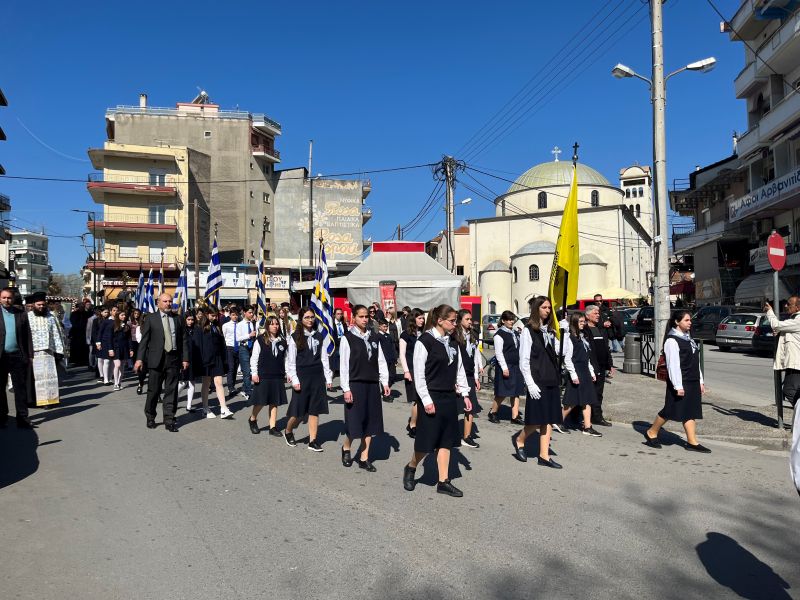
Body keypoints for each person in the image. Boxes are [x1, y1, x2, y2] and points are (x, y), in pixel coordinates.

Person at [402, 304, 472, 497]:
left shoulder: (453, 341)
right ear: (440, 321)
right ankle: (411, 467)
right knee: (427, 441)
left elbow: (459, 370)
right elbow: (419, 374)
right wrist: (425, 399)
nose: (455, 323)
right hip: (431, 396)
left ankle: (443, 481)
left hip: (449, 396)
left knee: (446, 440)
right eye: (452, 320)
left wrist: (465, 394)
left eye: (456, 320)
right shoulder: (425, 341)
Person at [644, 310, 709, 452]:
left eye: (690, 320)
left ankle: (692, 442)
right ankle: (652, 432)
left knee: (691, 411)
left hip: (692, 380)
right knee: (670, 410)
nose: (690, 322)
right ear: (676, 322)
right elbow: (673, 365)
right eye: (686, 320)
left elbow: (695, 361)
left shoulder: (688, 337)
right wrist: (678, 385)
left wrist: (700, 381)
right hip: (680, 381)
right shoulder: (672, 340)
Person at [512, 296, 563, 468]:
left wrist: (564, 334)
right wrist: (530, 383)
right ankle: (520, 440)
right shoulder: (528, 330)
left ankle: (544, 455)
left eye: (549, 308)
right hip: (537, 379)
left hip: (551, 378)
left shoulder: (549, 330)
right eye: (544, 307)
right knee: (535, 420)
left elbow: (560, 352)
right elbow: (524, 360)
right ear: (537, 309)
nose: (548, 310)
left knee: (548, 419)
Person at [339, 305, 390, 471]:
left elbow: (380, 361)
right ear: (354, 317)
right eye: (361, 316)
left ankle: (364, 457)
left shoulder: (374, 337)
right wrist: (346, 388)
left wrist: (385, 382)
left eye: (367, 316)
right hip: (355, 384)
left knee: (370, 423)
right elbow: (344, 366)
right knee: (355, 423)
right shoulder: (347, 338)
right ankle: (347, 447)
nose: (365, 319)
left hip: (371, 384)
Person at [134, 293, 190, 432]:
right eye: (165, 301)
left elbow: (183, 340)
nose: (168, 304)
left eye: (170, 301)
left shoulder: (178, 319)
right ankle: (151, 416)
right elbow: (144, 341)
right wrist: (139, 359)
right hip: (156, 359)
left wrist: (185, 358)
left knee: (171, 391)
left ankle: (169, 419)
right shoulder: (151, 319)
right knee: (154, 390)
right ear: (158, 303)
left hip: (174, 358)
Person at [283, 306, 332, 451]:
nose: (310, 320)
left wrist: (328, 377)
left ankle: (313, 440)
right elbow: (291, 361)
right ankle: (288, 430)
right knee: (299, 411)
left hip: (317, 376)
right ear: (301, 319)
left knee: (314, 409)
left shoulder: (319, 336)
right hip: (302, 376)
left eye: (312, 317)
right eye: (307, 317)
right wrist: (295, 379)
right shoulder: (295, 336)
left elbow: (324, 358)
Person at [561, 312, 602, 437]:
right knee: (573, 401)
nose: (583, 324)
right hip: (577, 371)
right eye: (580, 322)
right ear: (574, 323)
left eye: (584, 321)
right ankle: (557, 419)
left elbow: (586, 357)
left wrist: (591, 371)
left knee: (587, 399)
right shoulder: (570, 338)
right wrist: (573, 375)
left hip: (584, 370)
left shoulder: (581, 337)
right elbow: (567, 359)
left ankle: (587, 427)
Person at [248, 316, 288, 436]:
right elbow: (254, 358)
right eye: (272, 324)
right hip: (264, 375)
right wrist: (254, 373)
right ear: (267, 326)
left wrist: (288, 373)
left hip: (277, 375)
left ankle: (273, 427)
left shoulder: (282, 341)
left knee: (274, 401)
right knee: (260, 401)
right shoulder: (260, 340)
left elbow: (286, 358)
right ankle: (252, 419)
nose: (275, 326)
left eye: (276, 324)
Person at [0, 288, 34, 428]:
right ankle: (2, 418)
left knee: (20, 389)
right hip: (1, 356)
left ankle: (22, 418)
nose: (6, 300)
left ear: (13, 299)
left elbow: (28, 336)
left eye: (9, 298)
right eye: (4, 297)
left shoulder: (21, 314)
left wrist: (30, 355)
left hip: (18, 356)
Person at [27, 292, 64, 409]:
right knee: (34, 378)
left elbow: (56, 333)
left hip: (48, 352)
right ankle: (34, 401)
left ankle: (49, 401)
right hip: (33, 352)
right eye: (39, 305)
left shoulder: (51, 317)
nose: (41, 307)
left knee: (49, 377)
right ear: (33, 304)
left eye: (43, 304)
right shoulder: (27, 317)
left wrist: (59, 351)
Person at [194, 307, 234, 419]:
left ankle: (223, 408)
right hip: (205, 359)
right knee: (206, 383)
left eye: (216, 315)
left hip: (217, 358)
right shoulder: (199, 327)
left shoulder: (217, 327)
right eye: (212, 315)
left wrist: (224, 358)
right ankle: (205, 408)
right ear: (206, 315)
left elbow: (221, 343)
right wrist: (199, 361)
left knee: (219, 382)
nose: (215, 317)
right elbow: (197, 345)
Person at [452, 309, 483, 449]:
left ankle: (467, 436)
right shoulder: (454, 336)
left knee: (470, 407)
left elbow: (475, 355)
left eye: (471, 319)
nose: (470, 321)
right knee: (453, 407)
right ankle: (449, 435)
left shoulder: (472, 335)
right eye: (467, 319)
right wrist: (455, 381)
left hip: (469, 374)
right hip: (458, 375)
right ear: (459, 321)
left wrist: (476, 376)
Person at [488, 310, 524, 425]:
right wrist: (504, 368)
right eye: (509, 319)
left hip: (516, 365)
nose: (511, 321)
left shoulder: (515, 333)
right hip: (506, 365)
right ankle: (493, 412)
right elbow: (499, 353)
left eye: (512, 319)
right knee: (502, 392)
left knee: (516, 391)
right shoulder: (499, 334)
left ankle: (515, 416)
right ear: (503, 321)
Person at [765, 298, 800, 409]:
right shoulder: (793, 319)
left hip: (797, 364)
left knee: (789, 390)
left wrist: (770, 312)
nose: (785, 306)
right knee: (795, 391)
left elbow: (776, 325)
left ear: (797, 307)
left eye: (789, 304)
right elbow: (779, 328)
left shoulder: (798, 320)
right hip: (793, 364)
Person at [585, 305, 614, 427]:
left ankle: (597, 416)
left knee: (598, 393)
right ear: (587, 315)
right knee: (588, 393)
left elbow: (605, 348)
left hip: (601, 366)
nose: (598, 315)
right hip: (591, 366)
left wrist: (610, 364)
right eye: (595, 313)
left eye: (598, 313)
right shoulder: (585, 330)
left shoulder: (600, 329)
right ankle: (577, 415)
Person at [399, 308, 425, 437]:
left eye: (423, 318)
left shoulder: (424, 333)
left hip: (424, 370)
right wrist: (406, 371)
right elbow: (402, 354)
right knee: (417, 399)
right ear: (413, 319)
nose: (422, 320)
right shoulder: (405, 334)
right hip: (412, 369)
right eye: (420, 318)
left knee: (423, 398)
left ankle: (419, 423)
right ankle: (413, 425)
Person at [236, 306, 258, 400]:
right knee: (246, 371)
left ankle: (245, 388)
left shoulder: (252, 323)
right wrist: (249, 335)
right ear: (244, 313)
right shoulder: (240, 324)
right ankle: (248, 391)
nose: (251, 314)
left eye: (252, 312)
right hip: (243, 347)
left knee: (250, 369)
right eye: (249, 312)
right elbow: (238, 338)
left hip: (251, 347)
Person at [181, 312, 199, 411]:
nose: (190, 321)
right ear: (185, 320)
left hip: (194, 358)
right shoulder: (182, 330)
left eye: (192, 319)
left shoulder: (196, 329)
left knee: (192, 382)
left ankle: (189, 405)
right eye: (188, 319)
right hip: (183, 359)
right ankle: (173, 400)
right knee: (183, 382)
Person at [110, 308, 132, 390]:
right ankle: (115, 383)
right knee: (117, 365)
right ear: (118, 316)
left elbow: (129, 338)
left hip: (124, 348)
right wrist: (110, 349)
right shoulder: (113, 325)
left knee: (122, 366)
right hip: (116, 348)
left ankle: (119, 382)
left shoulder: (127, 326)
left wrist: (131, 349)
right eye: (122, 315)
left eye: (124, 315)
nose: (124, 316)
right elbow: (110, 338)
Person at [376, 318, 398, 399]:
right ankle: (386, 394)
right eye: (384, 326)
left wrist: (395, 358)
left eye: (386, 326)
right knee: (385, 376)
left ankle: (386, 390)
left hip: (391, 359)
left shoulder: (389, 336)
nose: (385, 328)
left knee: (392, 376)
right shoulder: (377, 336)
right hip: (383, 360)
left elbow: (393, 348)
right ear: (379, 327)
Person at [221, 307, 240, 395]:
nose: (235, 317)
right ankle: (230, 387)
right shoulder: (226, 325)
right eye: (233, 315)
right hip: (229, 348)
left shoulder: (240, 325)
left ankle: (232, 385)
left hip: (238, 348)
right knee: (231, 368)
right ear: (230, 315)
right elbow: (224, 337)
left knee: (235, 368)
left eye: (236, 315)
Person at [68, 299, 92, 367]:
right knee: (76, 347)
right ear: (78, 307)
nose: (82, 307)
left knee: (84, 347)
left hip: (84, 332)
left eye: (83, 306)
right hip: (76, 332)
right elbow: (72, 322)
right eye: (80, 306)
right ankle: (76, 361)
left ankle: (84, 360)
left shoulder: (87, 313)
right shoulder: (74, 314)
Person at [330, 307, 347, 376]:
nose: (339, 315)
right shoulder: (332, 324)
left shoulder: (343, 324)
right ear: (334, 315)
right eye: (338, 314)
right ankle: (332, 373)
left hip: (343, 343)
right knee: (335, 356)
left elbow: (346, 333)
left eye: (341, 314)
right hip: (335, 344)